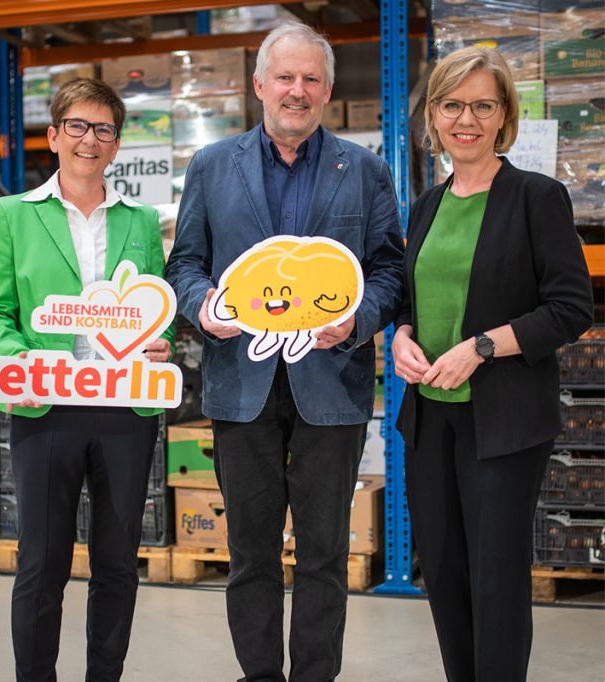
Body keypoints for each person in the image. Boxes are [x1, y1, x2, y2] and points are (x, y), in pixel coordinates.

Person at [165, 21, 404, 682]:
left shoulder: (363, 169)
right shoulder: (213, 166)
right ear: (259, 85)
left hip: (332, 383)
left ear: (326, 89)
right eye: (285, 78)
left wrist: (358, 320)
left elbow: (388, 270)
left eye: (310, 79)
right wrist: (203, 306)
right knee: (250, 553)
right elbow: (185, 263)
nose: (296, 91)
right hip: (240, 383)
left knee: (325, 552)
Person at [392, 46, 593, 681]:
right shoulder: (427, 205)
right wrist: (399, 335)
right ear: (433, 115)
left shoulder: (536, 197)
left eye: (483, 105)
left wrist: (482, 346)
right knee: (446, 574)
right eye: (452, 105)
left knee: (496, 580)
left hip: (503, 423)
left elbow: (570, 307)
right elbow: (411, 299)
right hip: (430, 419)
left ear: (504, 114)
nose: (467, 119)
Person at [0, 78, 173, 682]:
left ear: (117, 145)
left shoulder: (142, 220)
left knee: (117, 563)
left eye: (104, 130)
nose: (91, 140)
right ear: (55, 136)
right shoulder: (15, 215)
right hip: (46, 407)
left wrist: (158, 341)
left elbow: (153, 306)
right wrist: (20, 358)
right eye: (78, 127)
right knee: (42, 562)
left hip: (124, 411)